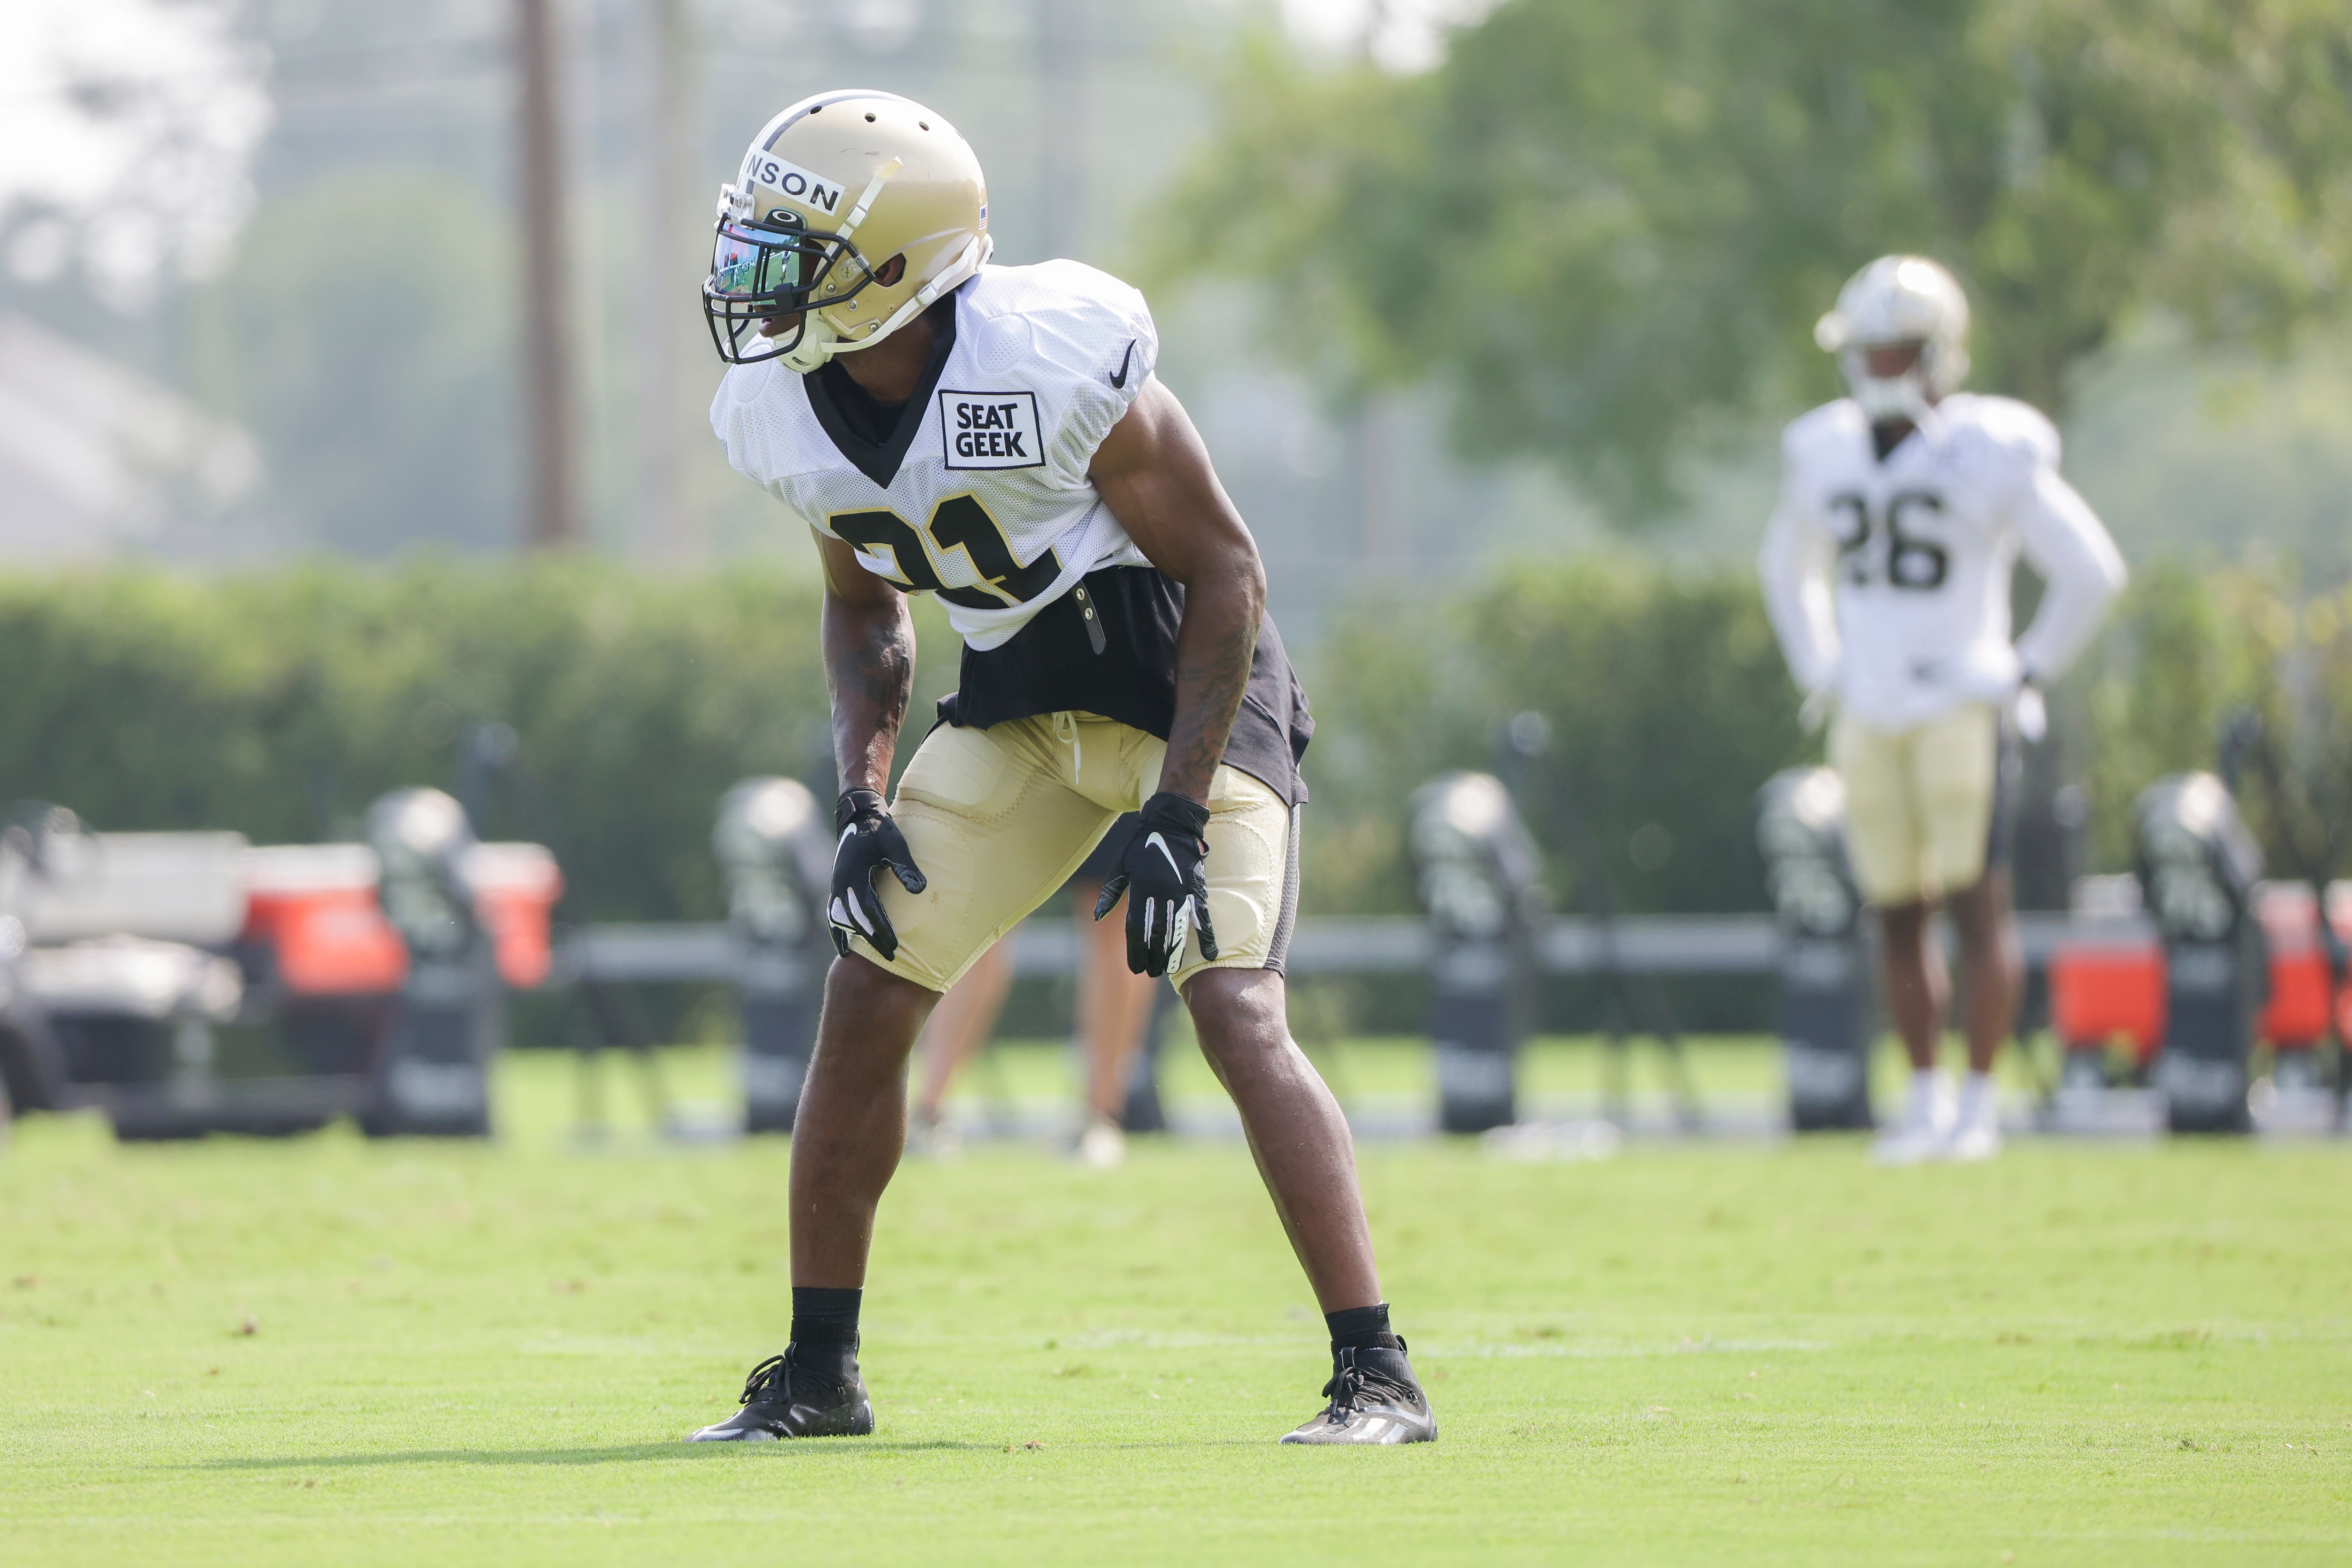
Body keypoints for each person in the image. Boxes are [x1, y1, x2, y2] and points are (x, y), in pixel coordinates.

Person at [685, 90, 1432, 1445]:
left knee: (1232, 1007)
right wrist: (861, 787)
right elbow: (863, 607)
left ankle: (1377, 1373)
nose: (757, 274)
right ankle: (818, 1372)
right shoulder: (784, 409)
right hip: (1020, 704)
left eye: (796, 250)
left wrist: (1179, 809)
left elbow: (1227, 573)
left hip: (1181, 686)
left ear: (896, 265)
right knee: (867, 986)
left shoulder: (1045, 354)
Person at [1759, 255, 2126, 1164]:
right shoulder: (1823, 446)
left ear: (1936, 352)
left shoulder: (1989, 443)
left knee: (1975, 902)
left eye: (1894, 349)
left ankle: (1979, 1104)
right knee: (1894, 910)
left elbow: (2091, 568)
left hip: (1961, 700)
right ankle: (1925, 1100)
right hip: (1870, 703)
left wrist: (2024, 668)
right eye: (1867, 349)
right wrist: (1820, 662)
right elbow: (1786, 564)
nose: (1876, 366)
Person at [907, 815, 1158, 1168]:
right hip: (1024, 779)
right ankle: (926, 1114)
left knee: (1111, 913)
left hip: (1117, 782)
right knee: (985, 914)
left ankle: (1100, 1119)